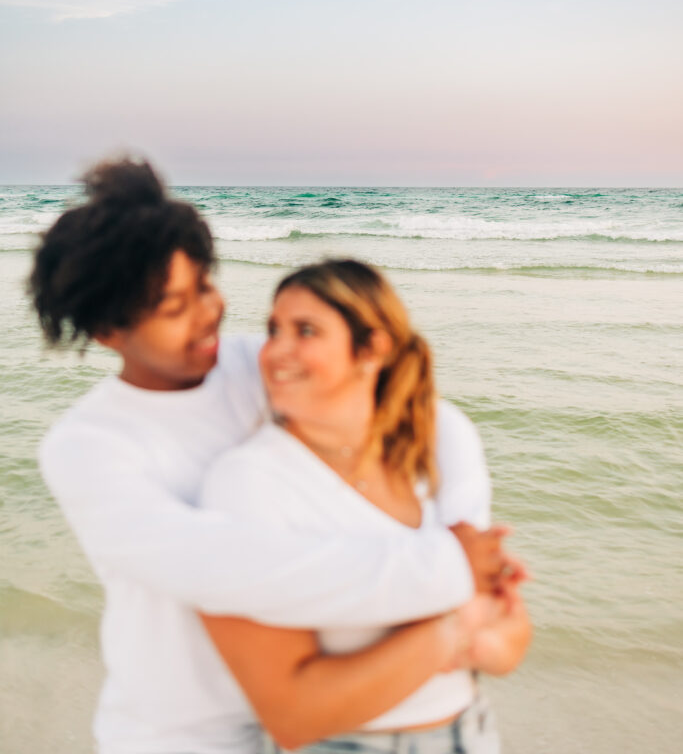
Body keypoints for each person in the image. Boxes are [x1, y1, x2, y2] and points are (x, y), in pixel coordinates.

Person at [34, 158, 519, 754]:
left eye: (206, 287)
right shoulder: (89, 448)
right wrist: (449, 574)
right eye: (174, 308)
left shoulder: (249, 366)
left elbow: (406, 406)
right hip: (182, 737)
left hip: (322, 719)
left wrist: (462, 525)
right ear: (109, 331)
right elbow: (228, 568)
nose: (209, 314)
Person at [199, 259, 531, 753]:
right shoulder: (249, 482)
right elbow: (292, 715)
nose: (274, 352)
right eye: (274, 330)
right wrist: (454, 628)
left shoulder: (440, 439)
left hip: (470, 732)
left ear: (372, 348)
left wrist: (479, 638)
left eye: (305, 330)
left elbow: (507, 626)